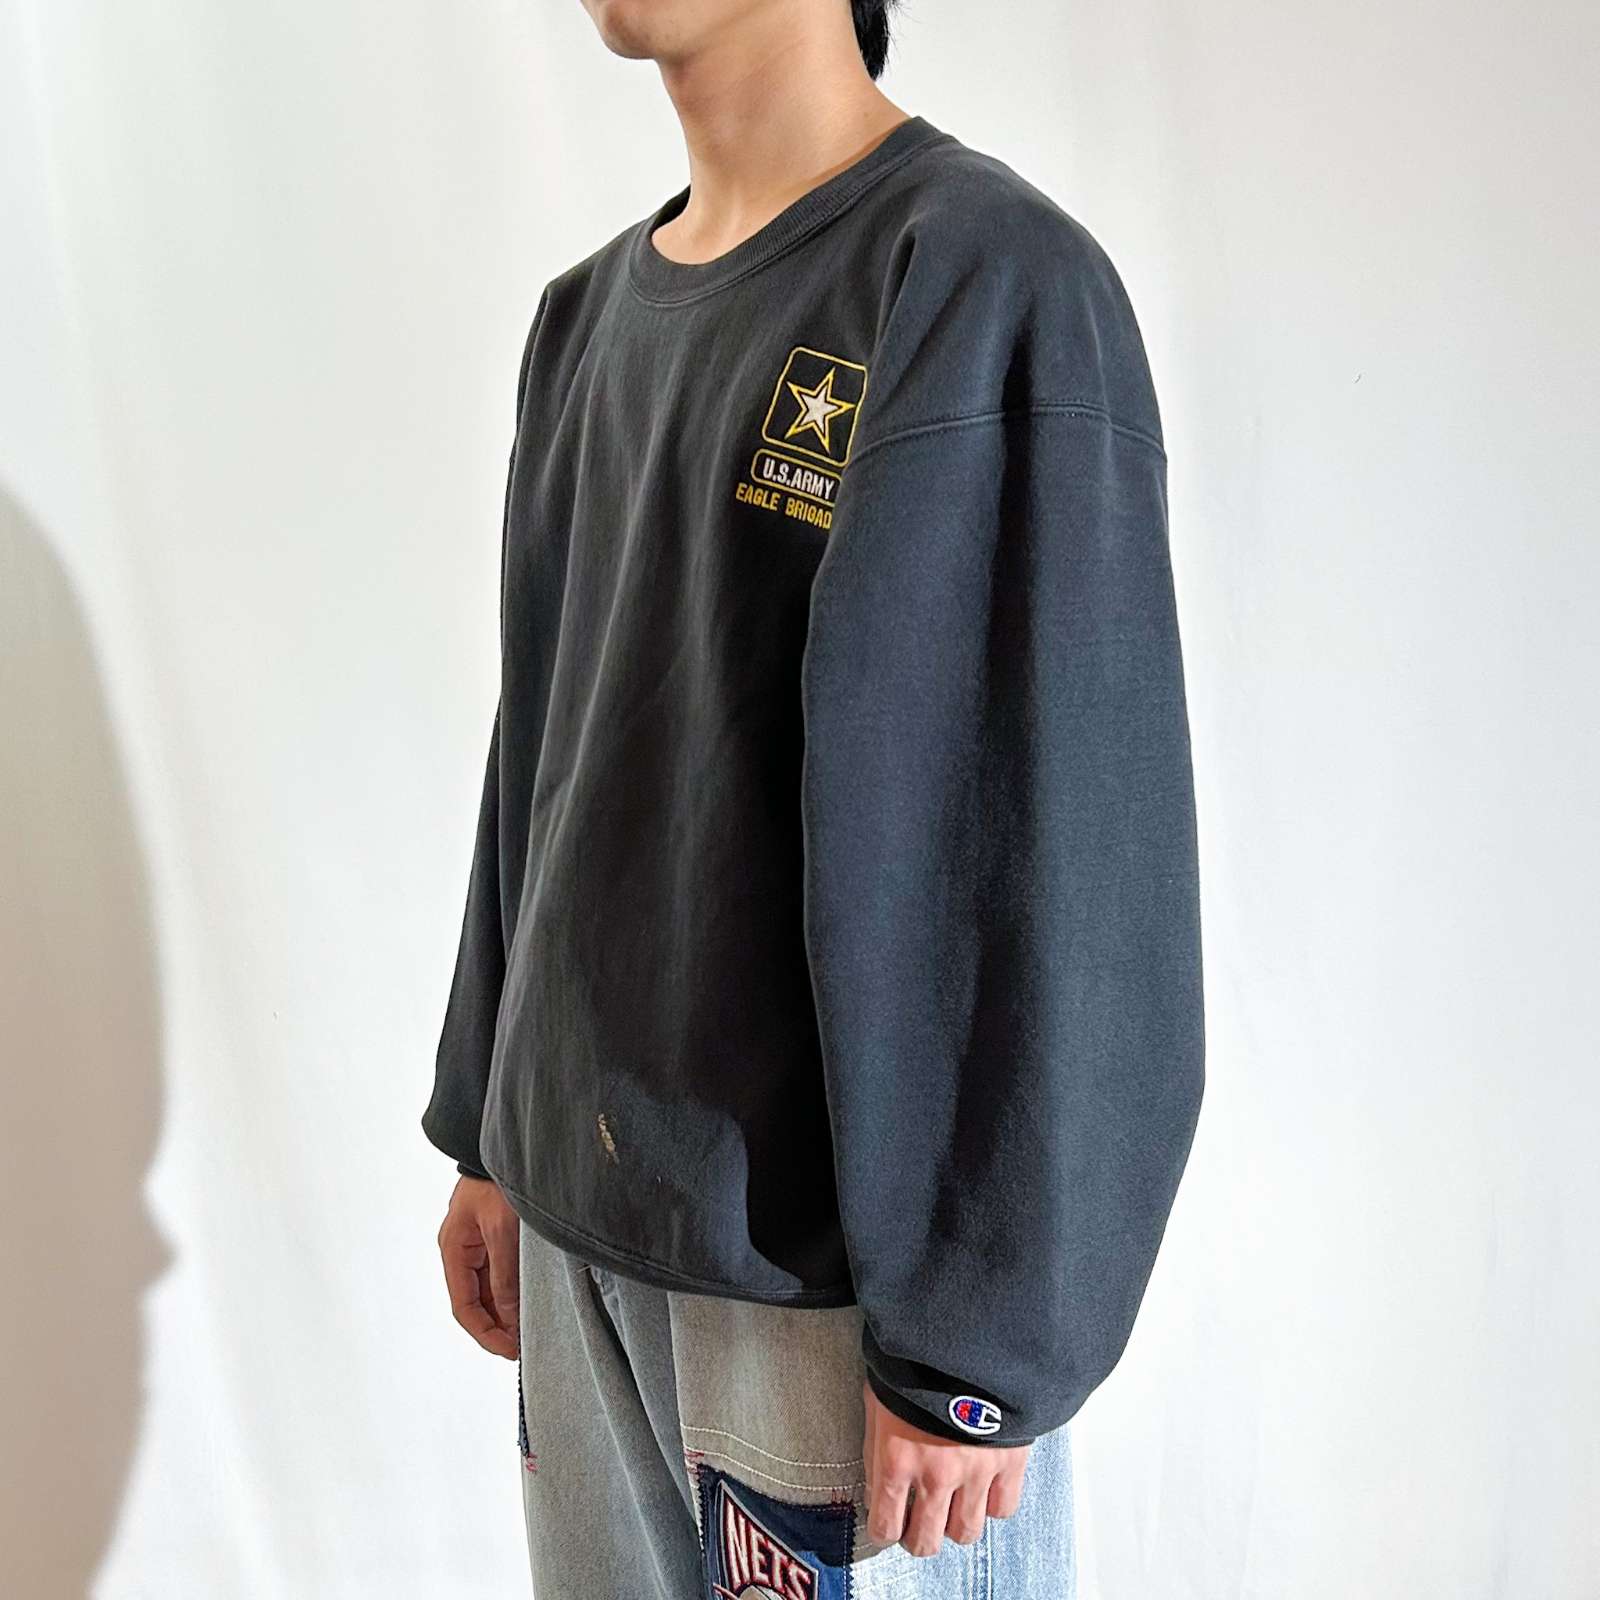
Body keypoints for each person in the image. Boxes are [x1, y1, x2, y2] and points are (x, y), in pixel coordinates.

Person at [423, 1, 1206, 1594]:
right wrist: (487, 1129)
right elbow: (542, 755)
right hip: (581, 1241)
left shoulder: (979, 282)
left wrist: (978, 1344)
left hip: (831, 1298)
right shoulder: (584, 323)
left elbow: (1060, 840)